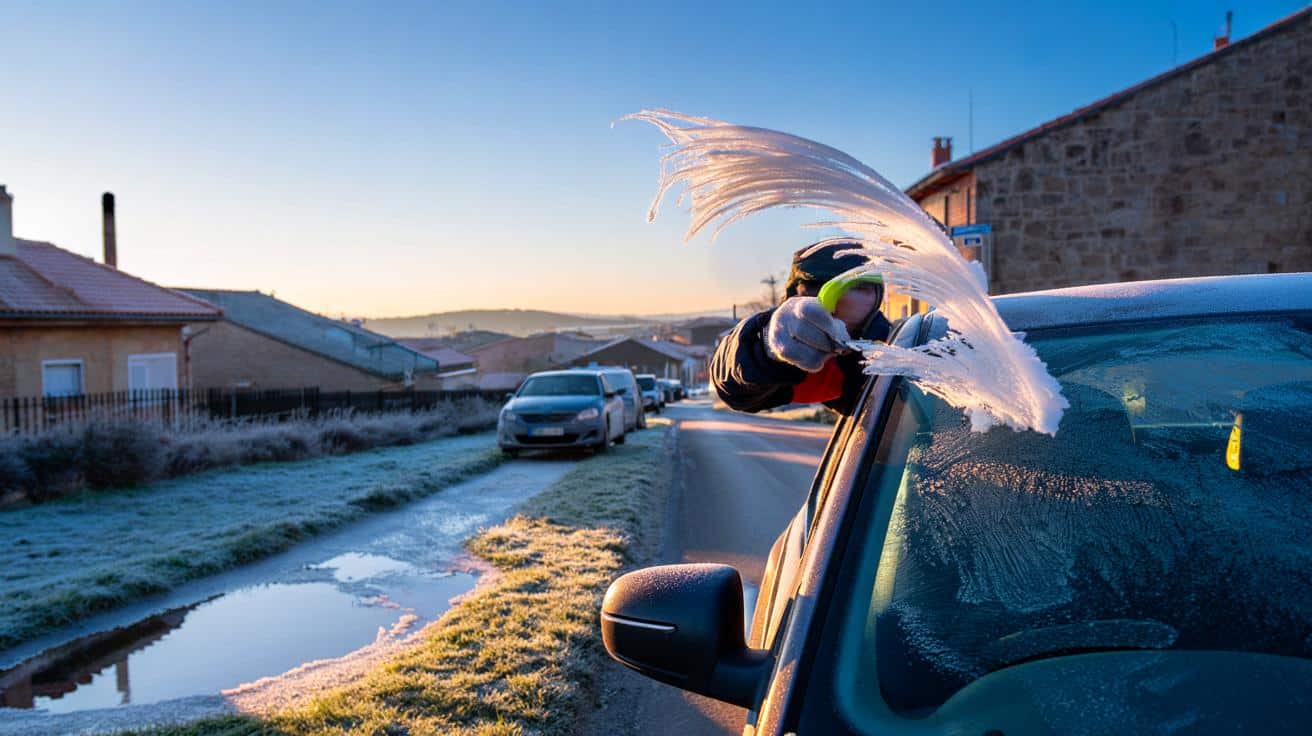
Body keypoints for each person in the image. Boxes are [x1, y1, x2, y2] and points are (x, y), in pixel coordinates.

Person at [710, 240, 892, 417]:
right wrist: (767, 347)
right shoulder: (794, 359)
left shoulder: (893, 347)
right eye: (819, 313)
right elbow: (733, 390)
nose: (839, 328)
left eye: (863, 290)